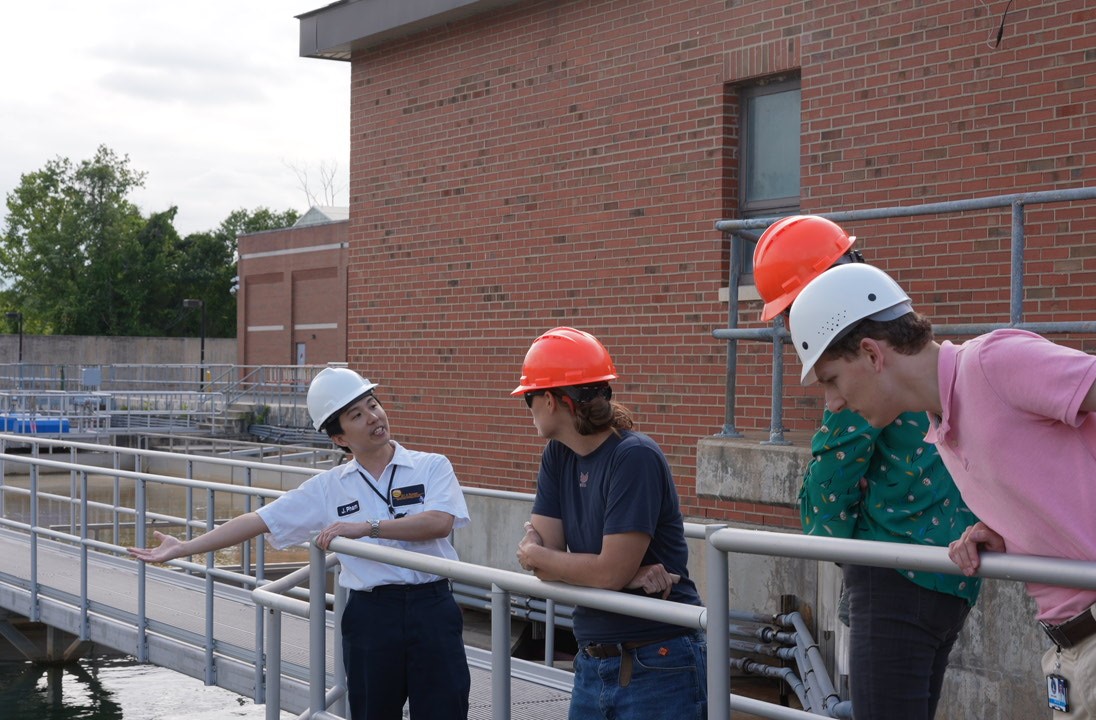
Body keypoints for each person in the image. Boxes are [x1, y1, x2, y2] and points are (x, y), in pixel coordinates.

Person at [788, 262, 1096, 718]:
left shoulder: (993, 362)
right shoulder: (943, 429)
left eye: (832, 379)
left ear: (872, 354)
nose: (833, 402)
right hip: (1069, 652)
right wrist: (1006, 530)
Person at [128, 366, 472, 720]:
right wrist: (184, 547)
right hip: (372, 616)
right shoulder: (327, 488)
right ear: (339, 438)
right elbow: (258, 520)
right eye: (357, 414)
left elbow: (439, 523)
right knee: (373, 713)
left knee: (445, 709)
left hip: (432, 608)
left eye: (373, 405)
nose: (373, 417)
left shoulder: (431, 466)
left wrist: (365, 528)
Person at [753, 215, 980, 720]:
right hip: (948, 572)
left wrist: (830, 537)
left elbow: (827, 501)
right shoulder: (901, 344)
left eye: (792, 311)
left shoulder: (863, 376)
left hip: (893, 574)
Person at [511, 326, 707, 720]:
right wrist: (619, 574)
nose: (528, 408)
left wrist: (547, 555)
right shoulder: (557, 456)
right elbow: (545, 566)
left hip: (658, 659)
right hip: (592, 661)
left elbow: (573, 564)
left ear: (550, 400)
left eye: (527, 399)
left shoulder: (634, 456)